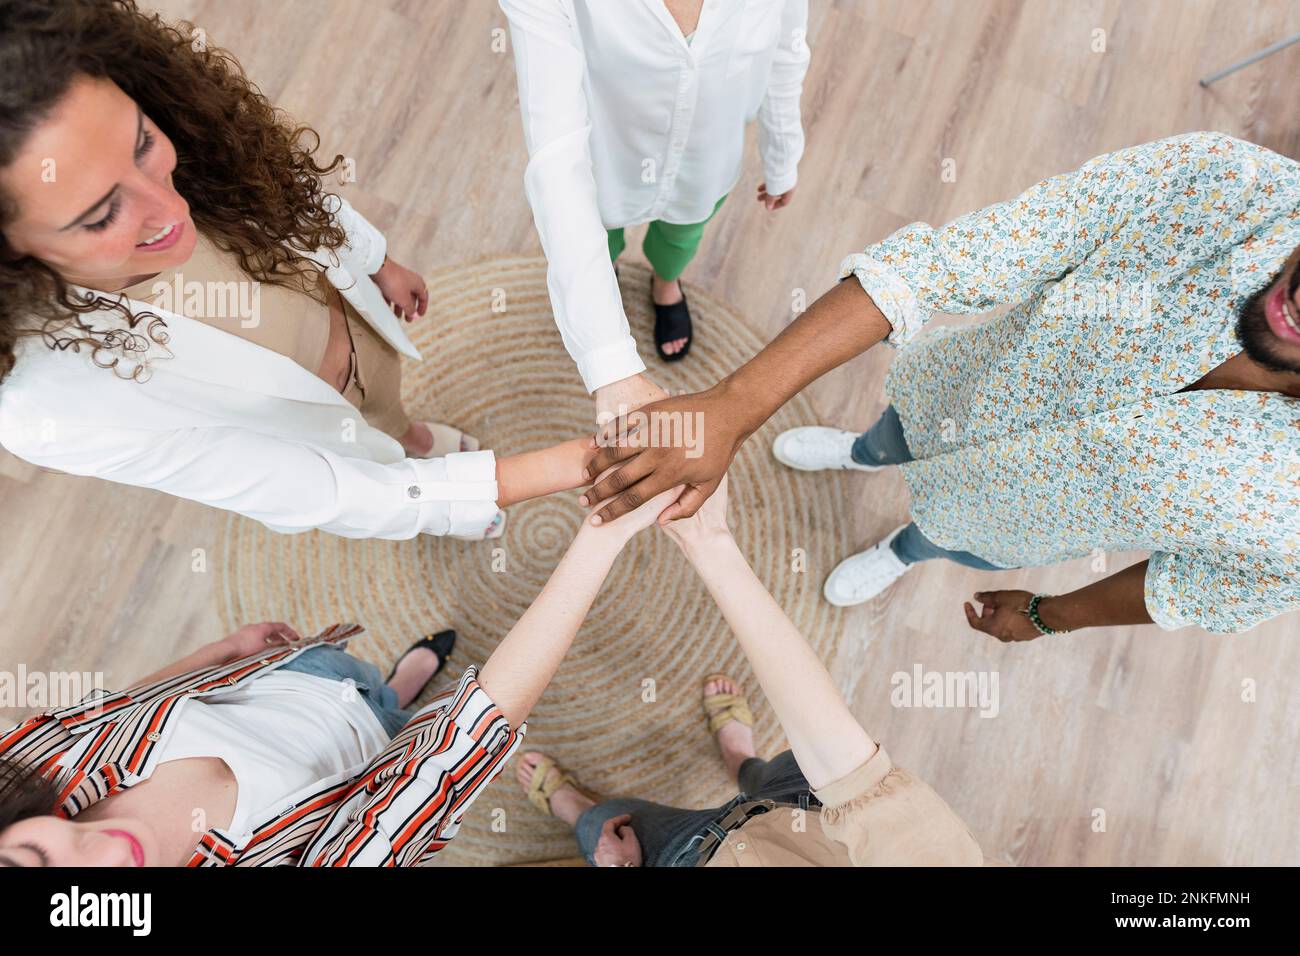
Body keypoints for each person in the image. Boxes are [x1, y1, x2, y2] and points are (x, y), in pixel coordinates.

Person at [581, 132, 1300, 639]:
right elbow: (951, 262)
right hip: (952, 398)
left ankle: (899, 552)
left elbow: (1204, 588)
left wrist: (1050, 616)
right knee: (888, 436)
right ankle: (859, 452)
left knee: (940, 539)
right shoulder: (1226, 185)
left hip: (1012, 522)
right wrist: (735, 405)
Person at [0, 0, 586, 541]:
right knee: (369, 446)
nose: (171, 211)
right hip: (315, 417)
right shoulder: (53, 407)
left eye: (143, 144)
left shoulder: (194, 133)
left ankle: (412, 436)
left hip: (351, 325)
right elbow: (324, 491)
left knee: (389, 409)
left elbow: (289, 194)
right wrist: (524, 478)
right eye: (103, 215)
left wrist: (375, 259)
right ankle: (409, 454)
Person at [0, 479, 685, 867]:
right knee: (396, 719)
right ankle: (397, 697)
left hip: (290, 673)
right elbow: (463, 744)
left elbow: (115, 707)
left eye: (29, 864)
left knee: (357, 673)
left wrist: (217, 654)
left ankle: (393, 683)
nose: (101, 861)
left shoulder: (31, 764)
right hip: (370, 756)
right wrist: (601, 538)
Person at [518, 476, 984, 867]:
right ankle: (741, 760)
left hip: (691, 858)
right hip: (811, 802)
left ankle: (572, 806)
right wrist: (710, 543)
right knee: (770, 772)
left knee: (605, 823)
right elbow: (864, 781)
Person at [499, 0, 810, 420]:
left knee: (681, 237)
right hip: (606, 153)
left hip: (705, 156)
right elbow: (557, 160)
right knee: (598, 238)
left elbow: (785, 50)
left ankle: (666, 284)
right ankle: (604, 281)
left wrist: (783, 154)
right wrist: (608, 360)